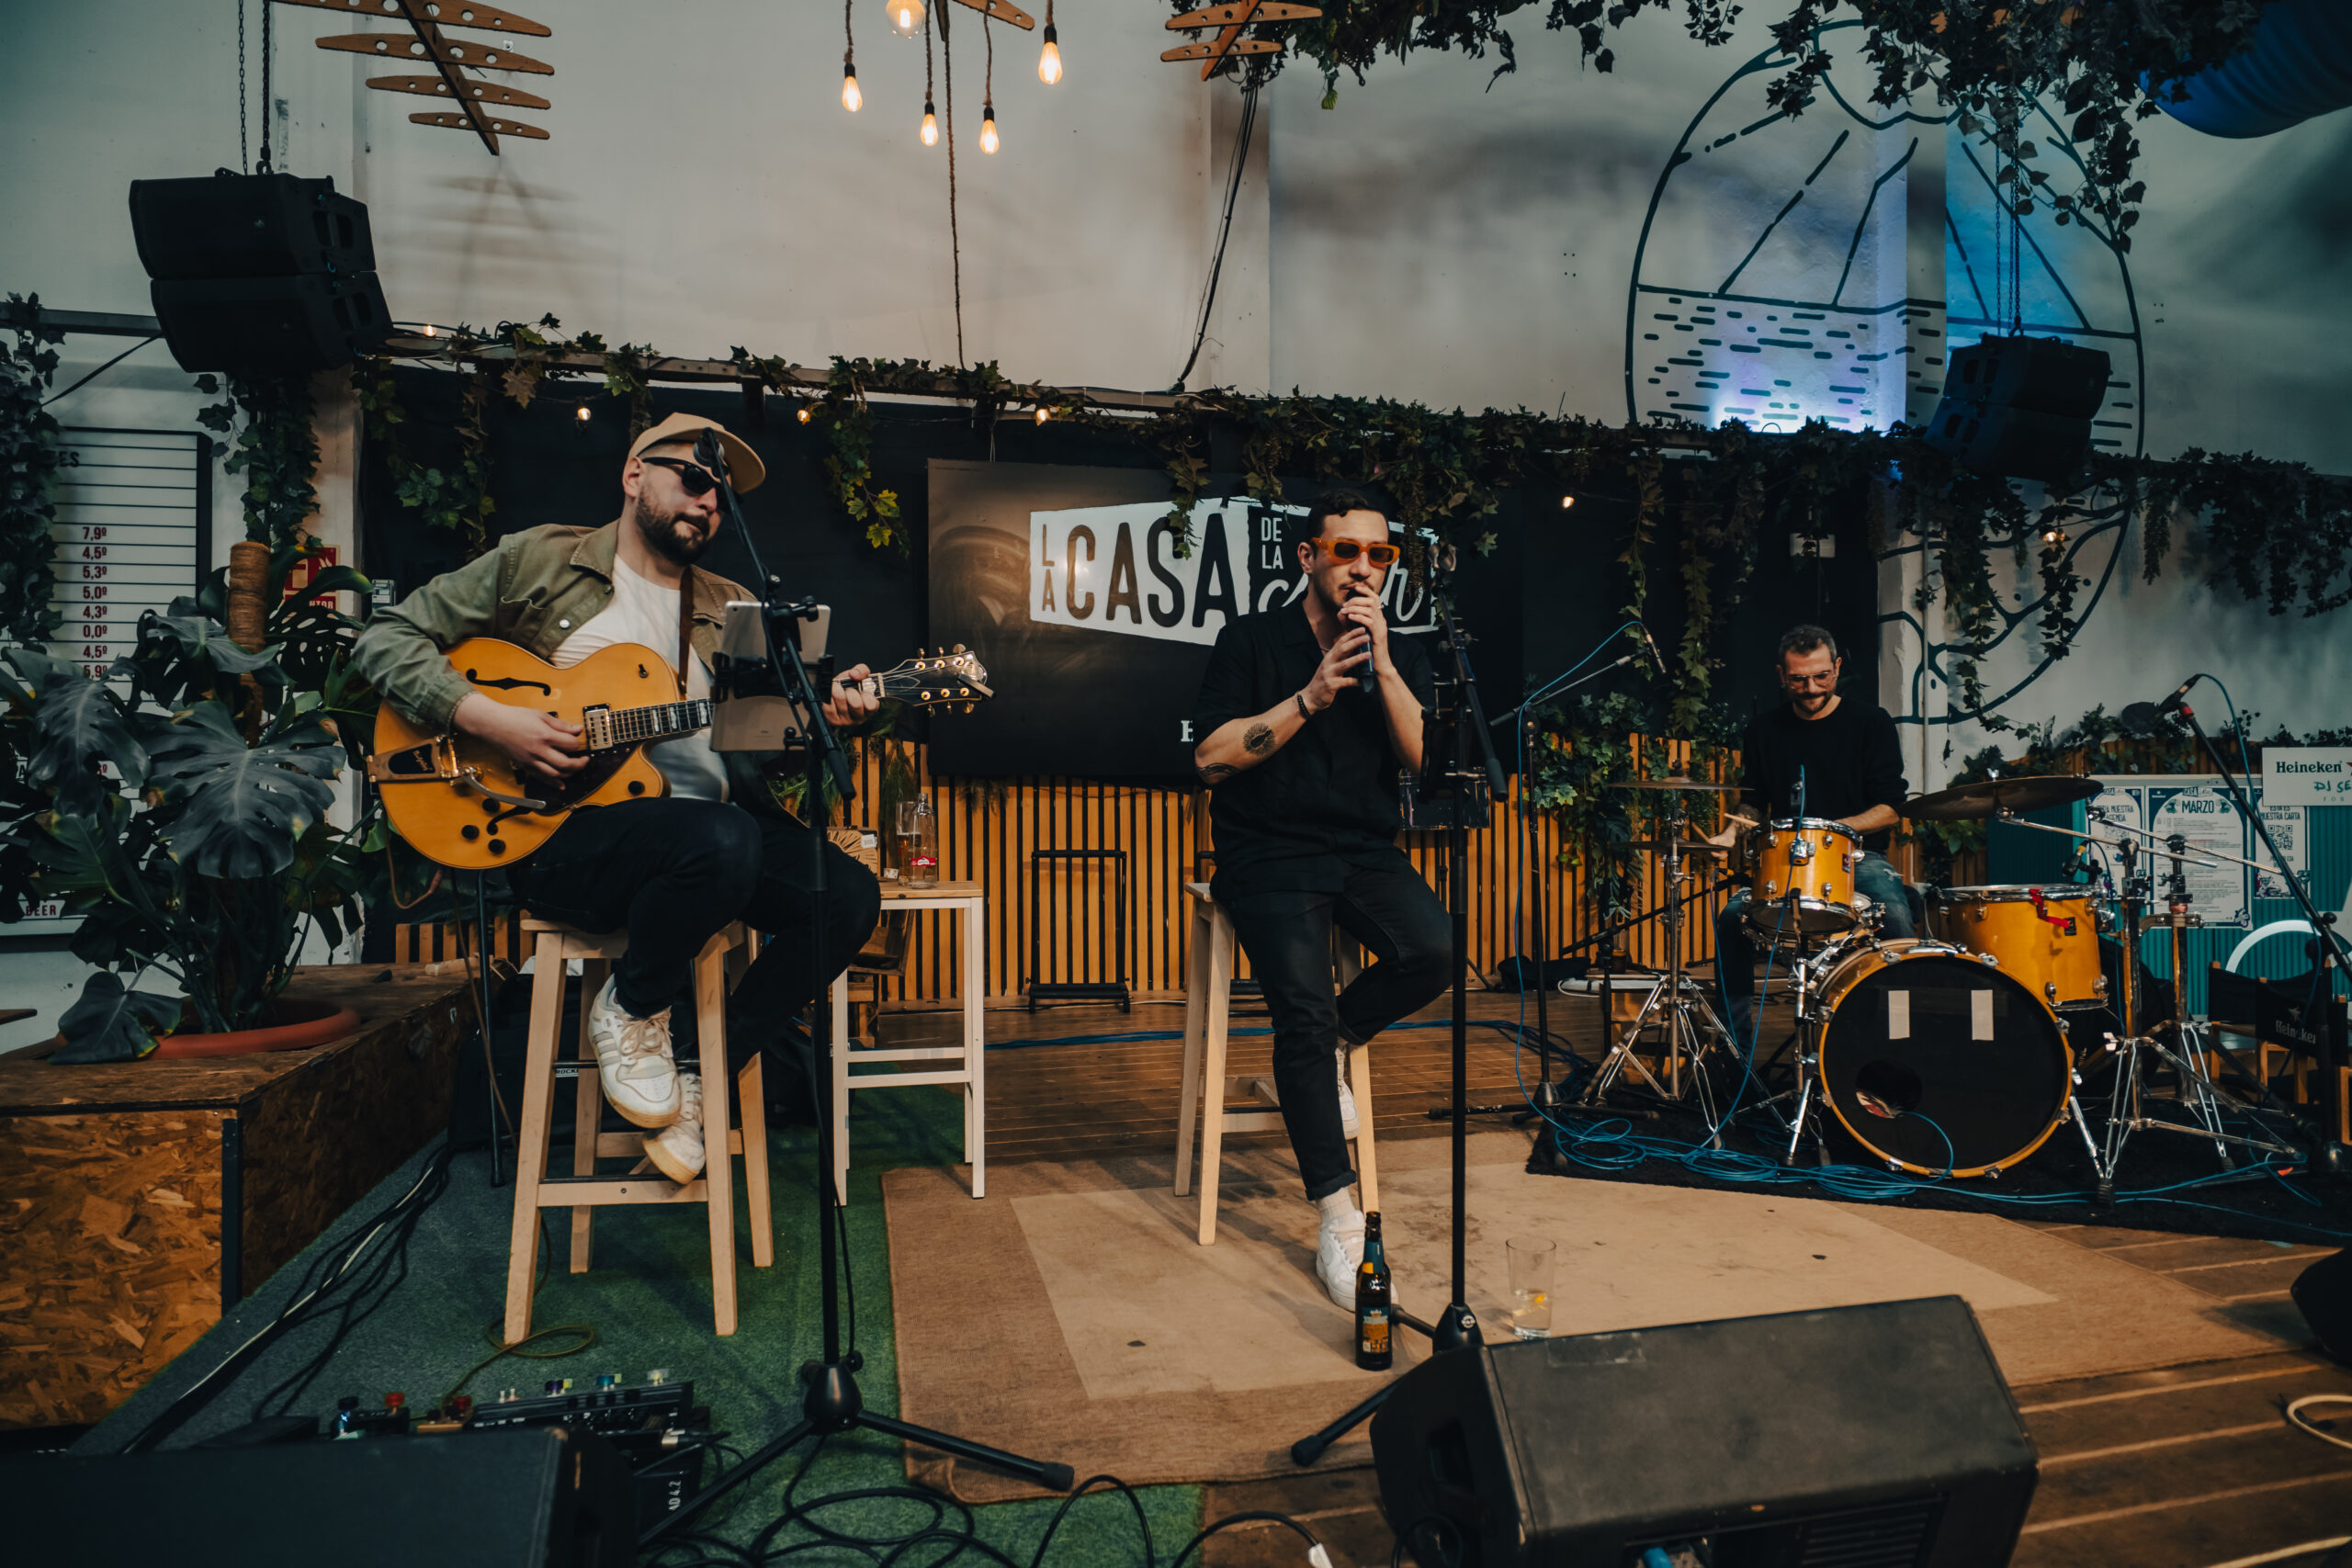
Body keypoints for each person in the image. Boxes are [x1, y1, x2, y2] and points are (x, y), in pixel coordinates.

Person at [356, 412, 884, 1183]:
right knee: (723, 838)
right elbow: (383, 638)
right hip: (563, 838)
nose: (709, 500)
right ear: (636, 474)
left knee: (846, 894)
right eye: (694, 478)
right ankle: (633, 1007)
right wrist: (492, 719)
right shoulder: (540, 561)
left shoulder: (734, 606)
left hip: (715, 845)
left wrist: (820, 720)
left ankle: (702, 1074)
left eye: (723, 494)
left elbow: (758, 746)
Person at [1189, 489, 1449, 1310]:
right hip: (1268, 850)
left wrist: (1387, 666)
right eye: (1346, 551)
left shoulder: (1394, 652)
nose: (1363, 568)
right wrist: (1310, 697)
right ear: (1309, 557)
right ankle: (1340, 1216)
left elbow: (1426, 763)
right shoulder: (1251, 641)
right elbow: (1210, 759)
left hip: (1362, 850)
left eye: (1379, 555)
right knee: (1298, 1010)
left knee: (1435, 950)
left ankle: (1336, 1039)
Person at [1705, 624, 1911, 1036]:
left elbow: (1891, 808)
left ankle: (1898, 1038)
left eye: (1822, 676)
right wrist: (1731, 833)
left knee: (1896, 919)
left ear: (1837, 667)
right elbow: (1753, 798)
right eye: (1799, 679)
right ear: (1781, 674)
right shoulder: (1763, 729)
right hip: (1786, 859)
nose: (1812, 688)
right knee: (1731, 920)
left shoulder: (1871, 722)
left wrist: (1831, 831)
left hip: (1856, 858)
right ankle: (1735, 1051)